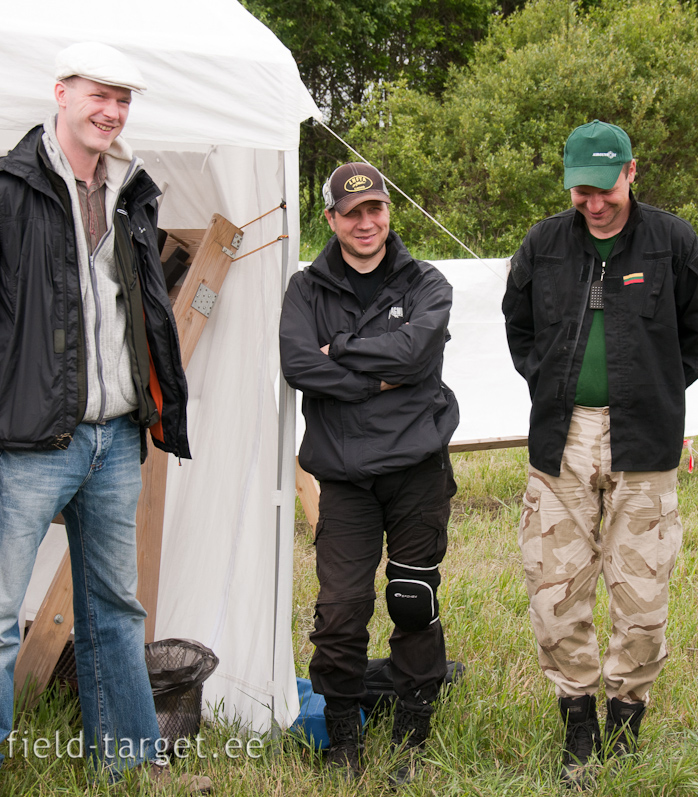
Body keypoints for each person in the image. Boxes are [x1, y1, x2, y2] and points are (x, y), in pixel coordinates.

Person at [0, 42, 206, 797]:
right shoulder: (0, 192)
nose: (111, 111)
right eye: (98, 95)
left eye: (123, 99)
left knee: (115, 610)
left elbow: (140, 314)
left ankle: (128, 763)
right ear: (61, 93)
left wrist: (156, 409)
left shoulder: (132, 191)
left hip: (115, 441)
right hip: (30, 445)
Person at [502, 120, 698, 785]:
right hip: (560, 436)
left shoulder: (675, 242)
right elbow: (520, 328)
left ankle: (626, 716)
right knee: (555, 588)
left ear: (631, 173)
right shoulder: (542, 244)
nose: (594, 203)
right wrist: (553, 383)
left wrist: (650, 391)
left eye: (604, 188)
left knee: (643, 593)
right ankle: (578, 721)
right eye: (580, 192)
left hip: (645, 439)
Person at [279, 162, 459, 784]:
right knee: (340, 610)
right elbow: (300, 365)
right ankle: (344, 734)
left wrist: (347, 354)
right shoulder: (305, 290)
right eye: (351, 213)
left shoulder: (427, 282)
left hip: (417, 471)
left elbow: (417, 352)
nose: (365, 222)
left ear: (388, 213)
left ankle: (413, 731)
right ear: (330, 219)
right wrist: (385, 375)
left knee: (413, 601)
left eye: (375, 210)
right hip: (345, 477)